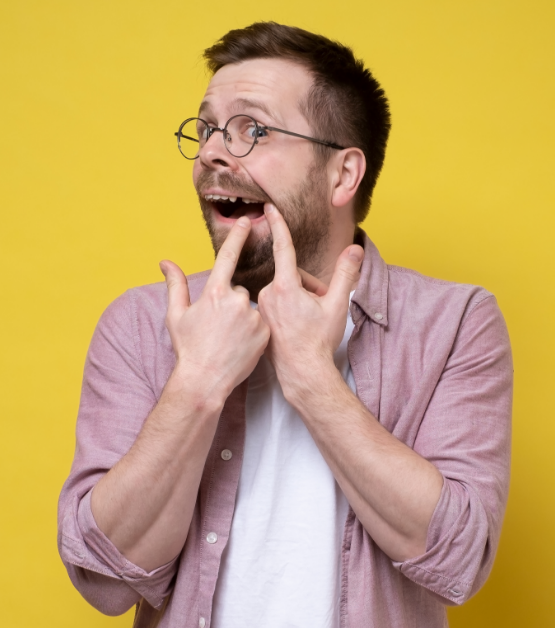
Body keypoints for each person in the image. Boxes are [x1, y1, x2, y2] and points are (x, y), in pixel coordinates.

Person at [57, 22, 512, 628]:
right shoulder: (142, 324)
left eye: (255, 130)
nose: (215, 152)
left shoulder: (453, 323)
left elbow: (458, 561)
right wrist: (196, 386)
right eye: (209, 128)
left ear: (343, 175)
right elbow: (104, 579)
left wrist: (312, 378)